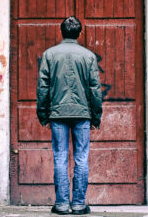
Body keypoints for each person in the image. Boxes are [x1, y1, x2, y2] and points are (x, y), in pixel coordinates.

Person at [36, 16, 103, 215]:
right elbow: (95, 89)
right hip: (82, 114)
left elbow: (43, 88)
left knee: (60, 158)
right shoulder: (88, 56)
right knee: (81, 158)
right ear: (79, 33)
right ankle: (79, 205)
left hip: (57, 114)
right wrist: (96, 115)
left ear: (61, 31)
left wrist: (43, 114)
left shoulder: (50, 55)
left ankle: (62, 205)